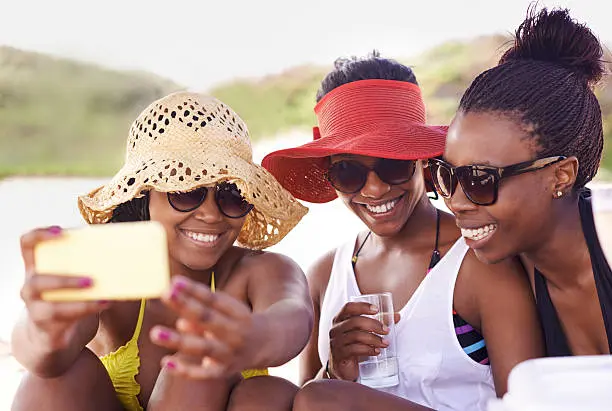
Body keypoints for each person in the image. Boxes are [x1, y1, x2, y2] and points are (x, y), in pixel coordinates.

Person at [261, 53, 543, 411]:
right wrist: (336, 369)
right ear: (331, 178)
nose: (374, 190)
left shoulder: (477, 261)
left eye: (393, 165)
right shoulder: (325, 275)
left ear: (422, 162)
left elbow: (529, 400)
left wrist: (331, 394)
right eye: (349, 172)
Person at [10, 91, 313, 411]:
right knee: (51, 377)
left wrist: (257, 336)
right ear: (145, 195)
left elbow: (293, 313)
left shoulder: (257, 271)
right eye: (186, 191)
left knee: (243, 384)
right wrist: (42, 333)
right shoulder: (111, 272)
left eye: (232, 195)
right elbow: (40, 353)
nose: (211, 214)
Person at [429, 6, 612, 359]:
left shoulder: (608, 238)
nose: (456, 201)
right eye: (446, 176)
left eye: (479, 179)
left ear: (561, 175)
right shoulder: (514, 274)